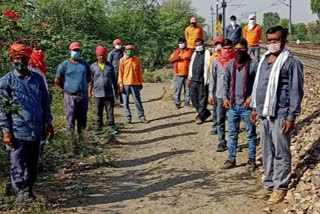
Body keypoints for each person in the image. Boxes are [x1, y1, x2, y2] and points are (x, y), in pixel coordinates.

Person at [250, 26, 304, 204]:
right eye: (270, 40)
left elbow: (296, 91)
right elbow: (258, 86)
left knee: (281, 152)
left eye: (276, 40)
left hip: (280, 114)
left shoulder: (291, 62)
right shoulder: (264, 60)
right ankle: (269, 184)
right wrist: (254, 108)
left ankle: (280, 187)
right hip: (265, 114)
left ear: (284, 41)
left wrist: (291, 117)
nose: (272, 44)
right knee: (267, 151)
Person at [0, 43, 54, 204]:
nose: (19, 61)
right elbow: (3, 108)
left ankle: (29, 191)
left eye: (22, 58)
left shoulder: (36, 79)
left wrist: (49, 123)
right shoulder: (6, 81)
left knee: (33, 164)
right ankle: (20, 193)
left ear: (28, 58)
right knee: (17, 163)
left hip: (36, 129)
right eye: (17, 58)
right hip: (17, 130)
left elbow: (45, 102)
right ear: (12, 59)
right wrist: (6, 131)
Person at [221, 39, 258, 170]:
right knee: (232, 134)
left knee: (250, 134)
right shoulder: (231, 65)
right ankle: (231, 159)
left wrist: (251, 98)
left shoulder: (253, 65)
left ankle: (251, 160)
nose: (238, 52)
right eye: (235, 49)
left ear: (246, 49)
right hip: (233, 106)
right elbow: (226, 83)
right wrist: (225, 98)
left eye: (241, 49)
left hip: (247, 107)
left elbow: (258, 85)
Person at [55, 42, 91, 136]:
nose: (76, 52)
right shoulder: (64, 65)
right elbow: (57, 80)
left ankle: (82, 140)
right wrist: (66, 87)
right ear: (70, 51)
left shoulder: (84, 64)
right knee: (70, 119)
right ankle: (71, 141)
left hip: (83, 96)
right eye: (74, 50)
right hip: (70, 96)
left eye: (78, 50)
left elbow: (88, 78)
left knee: (82, 119)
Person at [209, 39, 235, 152]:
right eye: (225, 48)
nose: (227, 50)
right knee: (220, 120)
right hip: (219, 95)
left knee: (233, 121)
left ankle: (233, 143)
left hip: (233, 96)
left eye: (230, 48)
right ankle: (221, 141)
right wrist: (211, 94)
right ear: (221, 49)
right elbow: (212, 79)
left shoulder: (235, 61)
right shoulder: (216, 61)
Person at [28, 42, 49, 170]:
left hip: (42, 102)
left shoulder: (41, 66)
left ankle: (39, 160)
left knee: (42, 132)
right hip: (33, 104)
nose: (40, 52)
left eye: (41, 50)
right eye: (37, 50)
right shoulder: (30, 66)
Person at [89, 46, 118, 131]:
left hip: (109, 93)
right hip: (98, 94)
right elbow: (91, 81)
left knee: (110, 112)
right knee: (98, 112)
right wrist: (89, 93)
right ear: (97, 56)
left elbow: (114, 79)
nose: (101, 57)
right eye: (100, 55)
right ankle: (99, 128)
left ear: (106, 56)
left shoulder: (110, 66)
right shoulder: (93, 67)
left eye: (103, 55)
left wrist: (116, 91)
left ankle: (111, 128)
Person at [118, 44, 147, 124]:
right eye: (128, 50)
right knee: (125, 102)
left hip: (135, 83)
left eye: (132, 49)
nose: (130, 51)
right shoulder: (122, 61)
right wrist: (120, 84)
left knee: (137, 101)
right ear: (125, 51)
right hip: (125, 84)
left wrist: (140, 82)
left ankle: (141, 116)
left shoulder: (136, 60)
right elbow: (120, 73)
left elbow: (139, 72)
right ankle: (128, 118)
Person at [187, 38, 211, 124]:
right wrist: (189, 78)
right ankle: (205, 112)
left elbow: (208, 67)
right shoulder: (194, 54)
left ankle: (200, 117)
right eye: (196, 45)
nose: (198, 47)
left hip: (202, 81)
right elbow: (191, 67)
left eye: (199, 45)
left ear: (203, 45)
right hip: (193, 80)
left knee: (202, 99)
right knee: (193, 98)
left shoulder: (207, 54)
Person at [169, 38, 192, 109]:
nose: (181, 44)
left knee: (188, 89)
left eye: (183, 43)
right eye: (180, 43)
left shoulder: (190, 51)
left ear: (185, 43)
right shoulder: (176, 52)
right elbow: (170, 60)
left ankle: (187, 102)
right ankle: (177, 103)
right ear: (178, 44)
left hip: (188, 74)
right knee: (177, 90)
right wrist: (176, 58)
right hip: (178, 75)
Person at [209, 36, 224, 135]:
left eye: (221, 44)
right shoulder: (212, 58)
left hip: (225, 90)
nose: (218, 46)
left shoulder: (230, 57)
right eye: (216, 44)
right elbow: (211, 74)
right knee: (215, 109)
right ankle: (215, 126)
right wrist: (210, 91)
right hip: (216, 88)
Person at [108, 39, 124, 105]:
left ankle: (122, 99)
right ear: (114, 45)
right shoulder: (111, 53)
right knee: (115, 86)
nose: (118, 46)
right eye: (117, 44)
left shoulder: (123, 52)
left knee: (122, 85)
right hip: (115, 72)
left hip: (123, 72)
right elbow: (109, 62)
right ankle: (116, 99)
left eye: (119, 44)